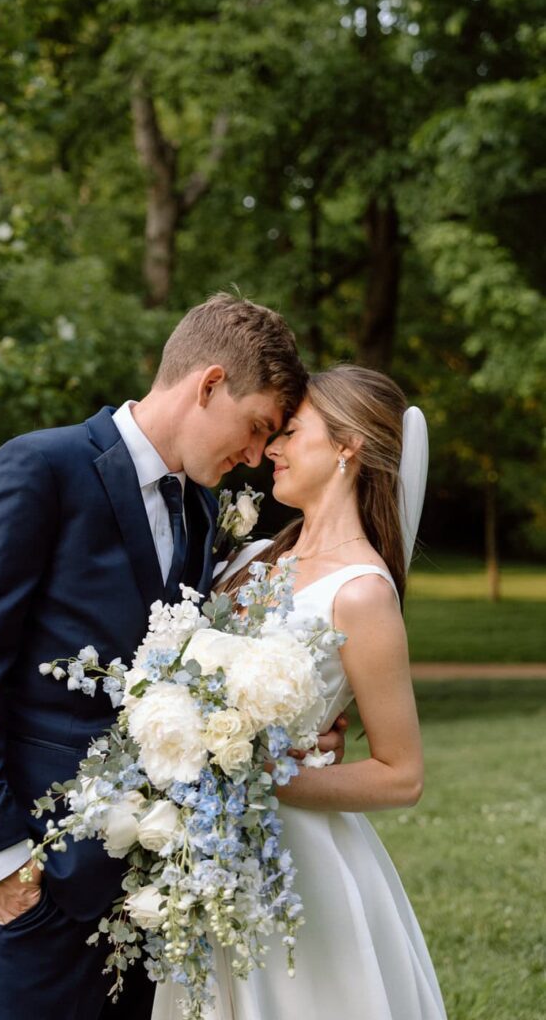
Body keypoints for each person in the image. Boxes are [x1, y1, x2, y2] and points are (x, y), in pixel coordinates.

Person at [0, 293, 346, 1020]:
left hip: (152, 882)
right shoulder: (41, 468)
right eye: (255, 428)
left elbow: (202, 666)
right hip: (38, 872)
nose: (252, 456)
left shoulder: (202, 511)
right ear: (208, 384)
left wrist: (295, 728)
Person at [152, 364, 446, 1020]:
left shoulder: (362, 594)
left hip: (299, 866)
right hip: (207, 850)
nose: (271, 449)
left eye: (289, 432)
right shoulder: (249, 556)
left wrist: (258, 781)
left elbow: (402, 776)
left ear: (347, 447)